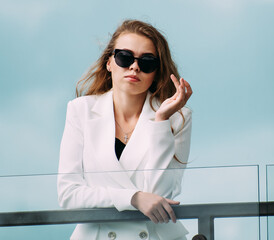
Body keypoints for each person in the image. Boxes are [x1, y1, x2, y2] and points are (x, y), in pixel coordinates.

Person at [57, 19, 193, 240]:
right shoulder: (80, 110)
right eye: (125, 57)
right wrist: (133, 197)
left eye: (147, 62)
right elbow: (68, 195)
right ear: (109, 62)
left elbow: (160, 196)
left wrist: (161, 121)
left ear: (157, 72)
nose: (134, 67)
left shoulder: (177, 118)